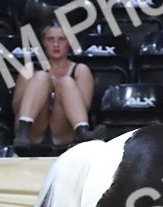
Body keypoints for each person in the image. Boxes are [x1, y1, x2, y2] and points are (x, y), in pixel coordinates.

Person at [11, 24, 106, 154]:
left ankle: (84, 133)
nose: (56, 44)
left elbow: (83, 108)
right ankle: (23, 134)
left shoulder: (80, 70)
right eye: (50, 39)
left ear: (69, 42)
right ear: (43, 43)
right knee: (42, 77)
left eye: (61, 39)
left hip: (63, 128)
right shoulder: (30, 68)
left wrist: (57, 91)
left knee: (66, 82)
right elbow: (16, 107)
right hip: (33, 129)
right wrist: (41, 94)